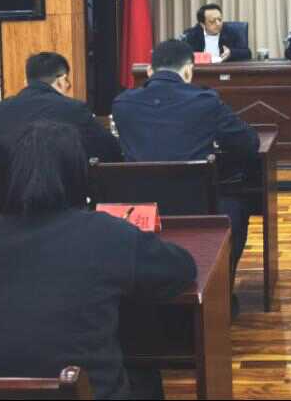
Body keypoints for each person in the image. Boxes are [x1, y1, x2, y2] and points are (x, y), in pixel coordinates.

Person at [0, 121, 197, 400]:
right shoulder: (106, 233)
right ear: (77, 175)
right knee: (143, 368)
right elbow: (182, 269)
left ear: (0, 177)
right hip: (82, 392)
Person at [111, 39, 259, 291]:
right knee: (238, 206)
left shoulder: (122, 104)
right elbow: (248, 143)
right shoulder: (205, 101)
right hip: (197, 207)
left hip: (140, 209)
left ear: (150, 71)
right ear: (189, 70)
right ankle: (220, 294)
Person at [0, 52, 122, 163]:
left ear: (27, 81)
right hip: (60, 187)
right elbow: (110, 150)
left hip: (9, 187)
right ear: (62, 80)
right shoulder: (74, 109)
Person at [181, 3, 251, 62]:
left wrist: (231, 53)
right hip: (201, 71)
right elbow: (183, 56)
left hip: (225, 70)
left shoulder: (231, 32)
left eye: (219, 19)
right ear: (202, 24)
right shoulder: (191, 35)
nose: (218, 23)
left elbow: (247, 53)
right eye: (212, 21)